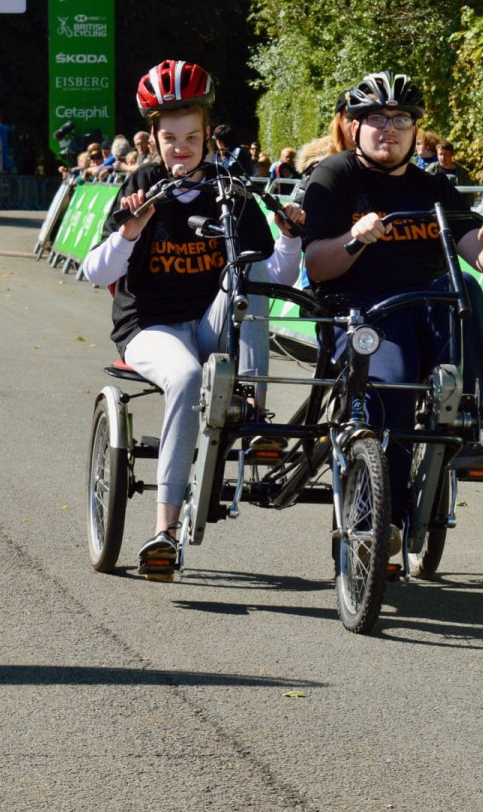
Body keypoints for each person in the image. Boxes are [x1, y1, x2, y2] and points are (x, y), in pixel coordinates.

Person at [82, 59, 304, 580]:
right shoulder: (141, 183)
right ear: (153, 141)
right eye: (170, 137)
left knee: (247, 281)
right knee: (182, 376)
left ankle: (253, 420)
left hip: (210, 326)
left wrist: (290, 236)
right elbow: (96, 271)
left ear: (208, 137)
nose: (181, 147)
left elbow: (279, 276)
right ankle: (164, 531)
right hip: (150, 328)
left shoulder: (230, 190)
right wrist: (131, 229)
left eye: (192, 136)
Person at [302, 71, 483, 542]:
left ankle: (467, 421)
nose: (390, 128)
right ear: (355, 126)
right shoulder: (335, 176)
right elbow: (316, 266)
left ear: (415, 130)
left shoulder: (432, 187)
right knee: (393, 388)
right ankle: (384, 519)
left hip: (422, 307)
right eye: (376, 118)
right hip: (358, 311)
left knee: (465, 290)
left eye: (401, 118)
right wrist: (354, 240)